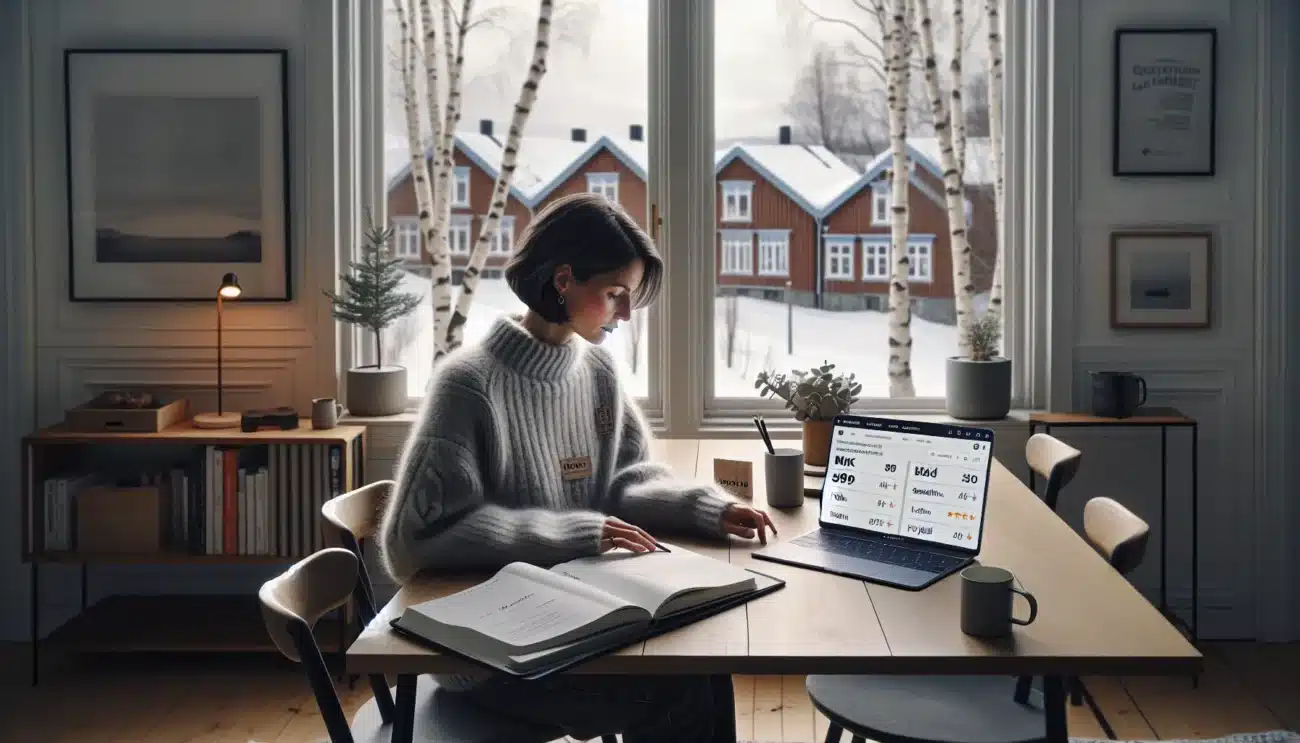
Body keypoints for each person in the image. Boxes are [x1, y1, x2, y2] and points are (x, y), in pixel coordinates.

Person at [379, 191, 776, 743]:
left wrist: (708, 508)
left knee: (704, 663)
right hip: (484, 648)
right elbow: (413, 541)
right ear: (563, 279)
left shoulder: (597, 373)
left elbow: (625, 480)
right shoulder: (468, 384)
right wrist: (571, 534)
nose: (627, 314)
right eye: (615, 294)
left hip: (575, 617)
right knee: (679, 690)